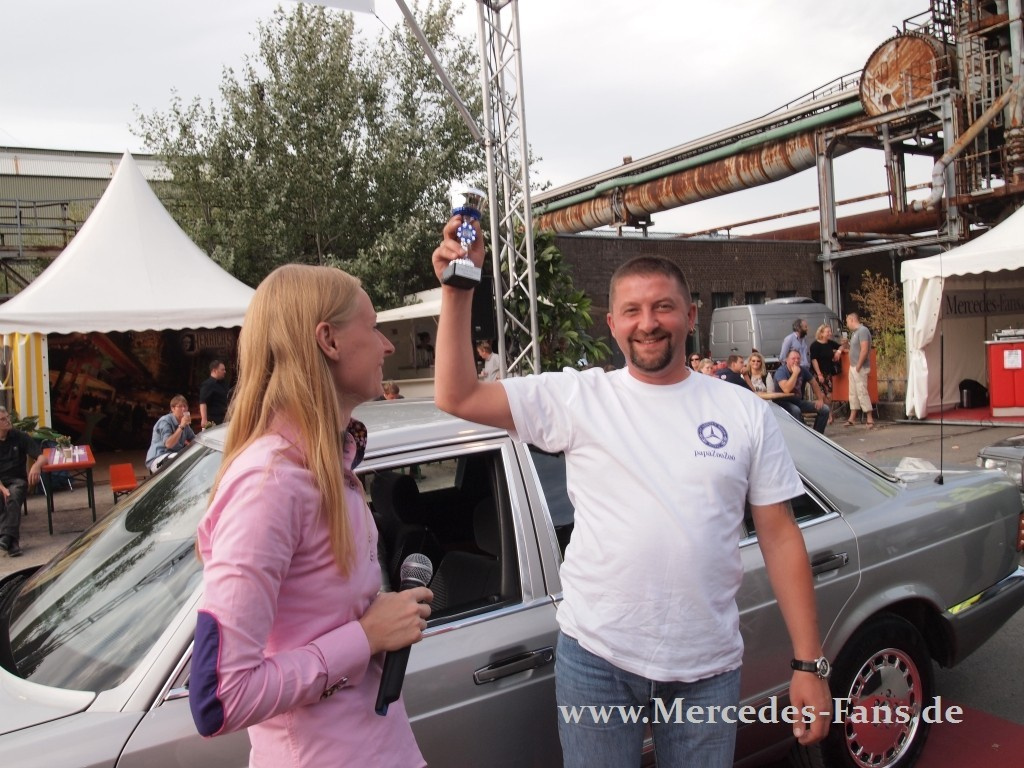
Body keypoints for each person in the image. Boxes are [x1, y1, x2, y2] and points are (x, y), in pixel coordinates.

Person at [430, 218, 830, 768]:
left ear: (691, 315)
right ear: (613, 323)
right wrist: (459, 288)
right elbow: (456, 394)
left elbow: (780, 536)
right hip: (597, 658)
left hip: (707, 667)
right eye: (633, 311)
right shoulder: (578, 398)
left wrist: (809, 664)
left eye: (664, 307)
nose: (648, 323)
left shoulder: (743, 411)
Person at [189, 264, 431, 768]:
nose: (388, 346)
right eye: (373, 327)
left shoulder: (328, 468)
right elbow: (220, 699)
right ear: (329, 340)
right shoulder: (270, 485)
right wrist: (364, 637)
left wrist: (372, 622)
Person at [0, 407, 46, 558]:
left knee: (13, 495)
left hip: (17, 480)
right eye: (2, 419)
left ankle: (6, 537)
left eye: (7, 417)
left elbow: (42, 457)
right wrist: (2, 488)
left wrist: (36, 465)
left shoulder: (20, 436)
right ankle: (12, 542)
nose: (8, 421)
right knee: (3, 497)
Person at [773, 349, 830, 434]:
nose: (796, 361)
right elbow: (786, 389)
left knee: (824, 409)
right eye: (793, 358)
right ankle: (803, 435)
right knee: (796, 410)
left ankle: (817, 435)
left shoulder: (803, 370)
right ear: (787, 360)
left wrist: (820, 399)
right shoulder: (781, 371)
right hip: (782, 402)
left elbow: (814, 383)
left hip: (798, 401)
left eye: (798, 358)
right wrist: (795, 374)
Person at [145, 395, 196, 474]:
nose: (183, 409)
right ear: (173, 408)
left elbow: (194, 440)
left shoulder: (185, 424)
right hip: (158, 458)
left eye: (185, 406)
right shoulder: (165, 421)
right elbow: (168, 444)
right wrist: (181, 426)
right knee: (178, 459)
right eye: (180, 406)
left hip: (174, 457)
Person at [845, 312, 875, 428]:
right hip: (853, 366)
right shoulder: (854, 333)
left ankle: (869, 418)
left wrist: (859, 365)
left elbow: (864, 349)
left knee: (862, 391)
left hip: (859, 366)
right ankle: (852, 417)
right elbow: (855, 348)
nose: (847, 324)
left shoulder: (862, 331)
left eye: (847, 322)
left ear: (852, 320)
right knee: (853, 392)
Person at [809, 325, 843, 426]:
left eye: (830, 332)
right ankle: (827, 415)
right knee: (821, 394)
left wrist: (838, 352)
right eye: (827, 332)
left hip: (828, 373)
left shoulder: (830, 343)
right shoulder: (815, 345)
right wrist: (819, 374)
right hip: (818, 372)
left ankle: (829, 414)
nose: (830, 334)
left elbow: (841, 346)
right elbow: (814, 360)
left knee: (829, 395)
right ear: (821, 333)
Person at [199, 359, 230, 428]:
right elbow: (203, 402)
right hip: (213, 420)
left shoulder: (224, 384)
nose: (225, 372)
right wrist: (204, 419)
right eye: (222, 370)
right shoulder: (207, 385)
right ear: (214, 371)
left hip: (224, 418)